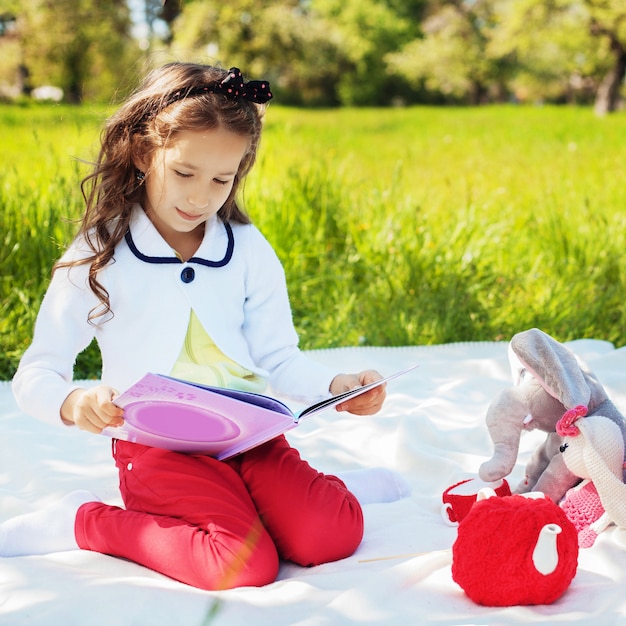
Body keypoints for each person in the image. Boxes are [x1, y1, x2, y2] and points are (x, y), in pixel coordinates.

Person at [1, 63, 409, 590]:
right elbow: (37, 371)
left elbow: (280, 359)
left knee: (331, 537)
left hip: (249, 438)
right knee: (240, 565)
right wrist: (74, 404)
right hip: (157, 450)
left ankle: (324, 492)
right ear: (145, 153)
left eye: (222, 179)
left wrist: (338, 388)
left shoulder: (248, 249)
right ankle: (85, 522)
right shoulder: (98, 254)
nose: (201, 197)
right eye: (185, 173)